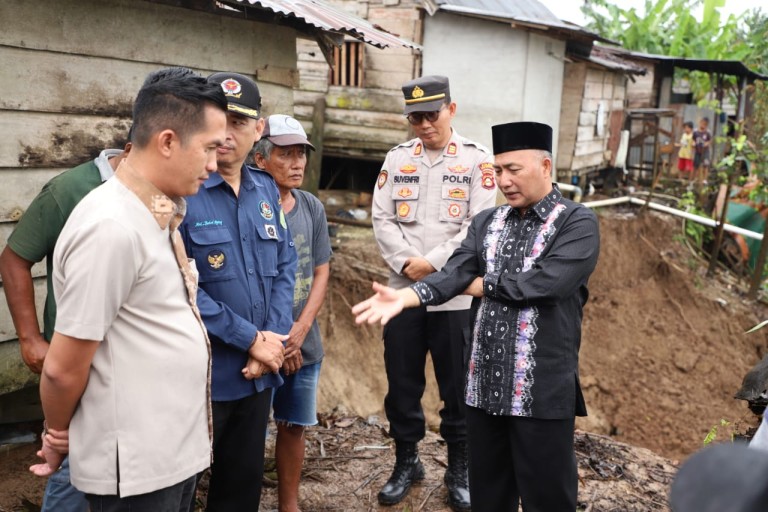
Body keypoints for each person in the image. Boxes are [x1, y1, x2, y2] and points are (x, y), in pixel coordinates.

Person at [355, 122, 600, 512]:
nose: (503, 180)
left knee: (548, 499)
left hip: (540, 390)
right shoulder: (488, 223)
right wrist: (409, 296)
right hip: (483, 388)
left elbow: (546, 284)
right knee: (490, 497)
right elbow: (454, 272)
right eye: (498, 170)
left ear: (545, 166)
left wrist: (480, 285)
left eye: (513, 170)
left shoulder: (577, 223)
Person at [27, 66, 230, 511]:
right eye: (210, 148)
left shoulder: (155, 208)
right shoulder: (110, 227)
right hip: (136, 470)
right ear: (168, 141)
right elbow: (63, 368)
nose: (215, 165)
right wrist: (59, 432)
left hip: (169, 453)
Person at [371, 75, 496, 511]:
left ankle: (458, 467)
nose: (424, 125)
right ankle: (407, 461)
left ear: (452, 110)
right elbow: (381, 218)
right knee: (401, 385)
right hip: (401, 291)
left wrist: (433, 264)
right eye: (416, 117)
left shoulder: (477, 162)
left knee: (457, 388)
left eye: (432, 114)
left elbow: (477, 227)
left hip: (456, 298)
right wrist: (408, 263)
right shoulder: (397, 159)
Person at [179, 72, 295, 512]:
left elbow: (285, 267)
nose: (226, 135)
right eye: (219, 121)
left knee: (241, 487)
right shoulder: (183, 193)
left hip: (258, 375)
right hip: (202, 375)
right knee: (180, 489)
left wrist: (271, 340)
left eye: (240, 123)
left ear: (258, 130)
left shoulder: (266, 188)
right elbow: (179, 286)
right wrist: (252, 339)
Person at [0, 144, 129, 512]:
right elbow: (14, 260)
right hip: (76, 360)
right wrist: (28, 337)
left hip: (128, 366)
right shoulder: (71, 189)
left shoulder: (163, 195)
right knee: (72, 458)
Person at [252, 114, 332, 512]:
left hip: (304, 340)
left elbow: (321, 271)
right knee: (245, 430)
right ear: (261, 158)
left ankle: (289, 504)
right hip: (257, 341)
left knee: (293, 425)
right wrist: (280, 337)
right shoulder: (250, 205)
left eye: (301, 153)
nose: (297, 163)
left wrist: (300, 330)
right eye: (286, 154)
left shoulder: (311, 207)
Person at [693, 116, 713, 183]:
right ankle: (695, 179)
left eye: (705, 124)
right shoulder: (695, 132)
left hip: (705, 151)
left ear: (707, 125)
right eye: (702, 123)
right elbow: (693, 139)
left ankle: (705, 179)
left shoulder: (708, 132)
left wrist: (707, 143)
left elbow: (710, 141)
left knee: (705, 165)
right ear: (700, 122)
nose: (703, 125)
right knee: (696, 165)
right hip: (697, 151)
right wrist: (693, 143)